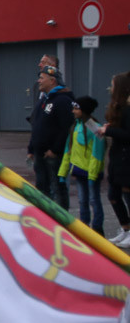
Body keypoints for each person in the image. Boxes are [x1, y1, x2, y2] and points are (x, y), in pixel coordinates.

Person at [58, 96, 106, 237]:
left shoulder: (95, 128)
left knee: (93, 200)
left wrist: (92, 174)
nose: (73, 111)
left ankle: (97, 230)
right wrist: (62, 173)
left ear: (84, 110)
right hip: (79, 171)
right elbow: (68, 151)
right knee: (82, 200)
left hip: (91, 173)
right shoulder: (75, 127)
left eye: (76, 108)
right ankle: (84, 229)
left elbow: (97, 154)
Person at [28, 65, 74, 210]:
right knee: (42, 189)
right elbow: (36, 126)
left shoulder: (62, 100)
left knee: (57, 189)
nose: (38, 81)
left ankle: (61, 221)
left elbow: (66, 128)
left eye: (42, 78)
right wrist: (31, 148)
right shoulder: (44, 100)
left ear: (52, 80)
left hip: (53, 155)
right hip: (40, 154)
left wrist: (55, 150)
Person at [100, 74, 130, 247]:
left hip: (126, 159)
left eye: (112, 85)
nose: (110, 88)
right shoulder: (118, 108)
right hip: (118, 157)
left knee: (126, 194)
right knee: (113, 195)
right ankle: (125, 229)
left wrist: (109, 131)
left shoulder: (127, 109)